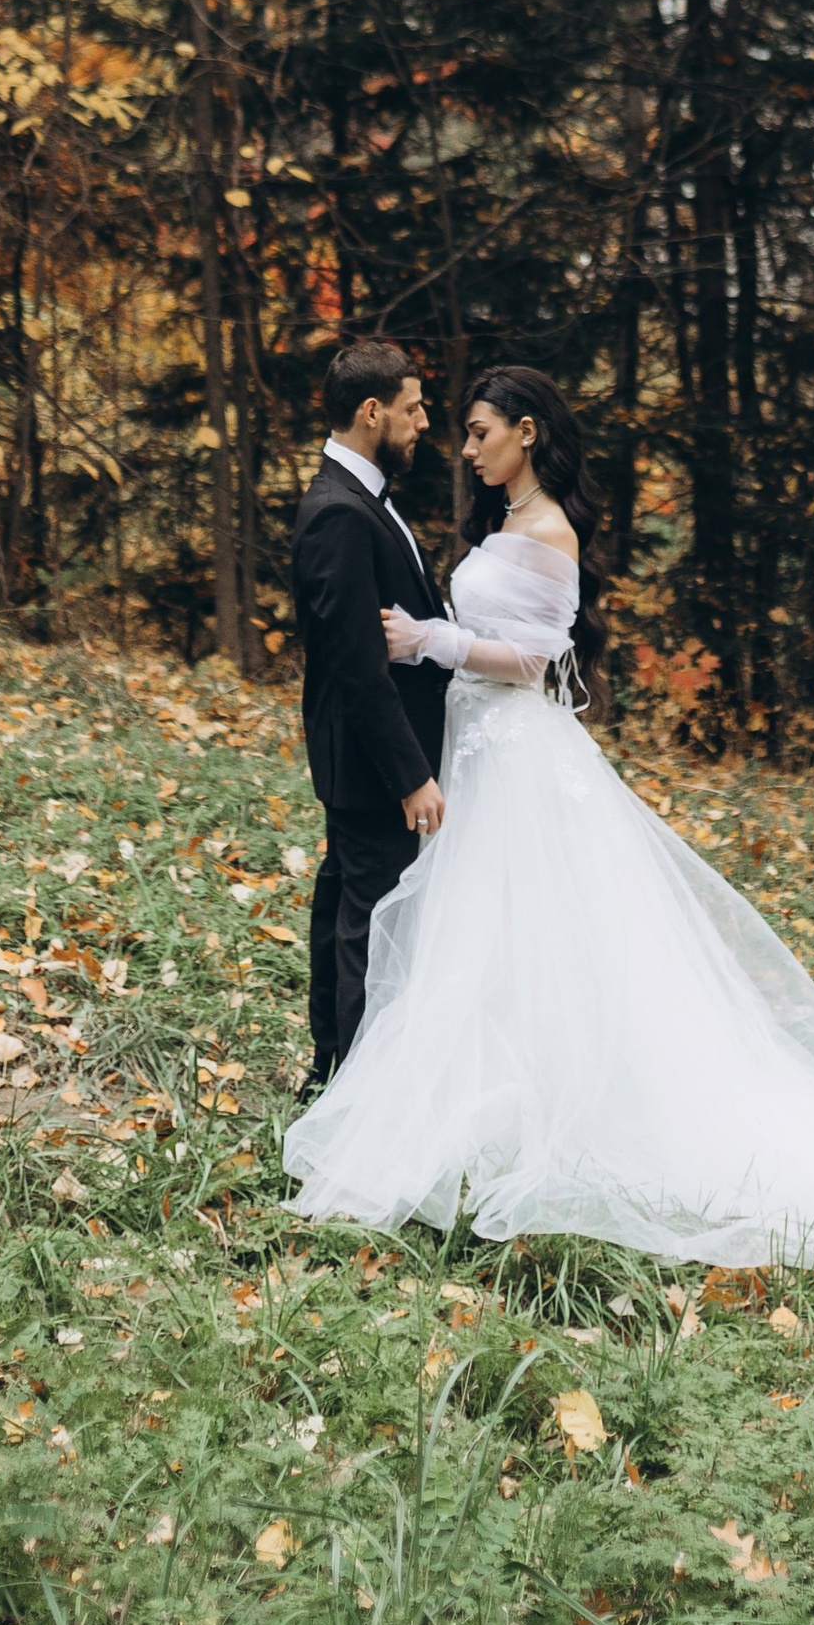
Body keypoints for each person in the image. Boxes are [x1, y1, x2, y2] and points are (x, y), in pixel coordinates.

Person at [285, 363, 814, 1295]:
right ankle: (459, 1105)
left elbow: (543, 662)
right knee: (477, 938)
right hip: (472, 747)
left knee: (521, 932)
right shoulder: (498, 522)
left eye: (479, 431)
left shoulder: (547, 529)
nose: (463, 447)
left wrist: (435, 641)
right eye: (454, 429)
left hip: (514, 753)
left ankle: (518, 1115)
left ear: (529, 433)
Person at [289, 339, 454, 1100]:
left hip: (364, 762)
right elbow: (356, 663)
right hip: (371, 766)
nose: (423, 422)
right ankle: (355, 1101)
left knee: (347, 908)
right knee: (369, 928)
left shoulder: (364, 501)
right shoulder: (339, 515)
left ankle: (329, 1073)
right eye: (414, 408)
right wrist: (411, 775)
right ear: (371, 411)